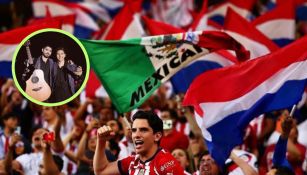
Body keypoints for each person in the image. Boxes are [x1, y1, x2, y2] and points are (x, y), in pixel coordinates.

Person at [94, 110, 185, 175]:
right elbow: (101, 170)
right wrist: (101, 141)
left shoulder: (166, 163)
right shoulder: (133, 162)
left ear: (157, 136)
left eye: (143, 130)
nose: (136, 135)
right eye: (134, 130)